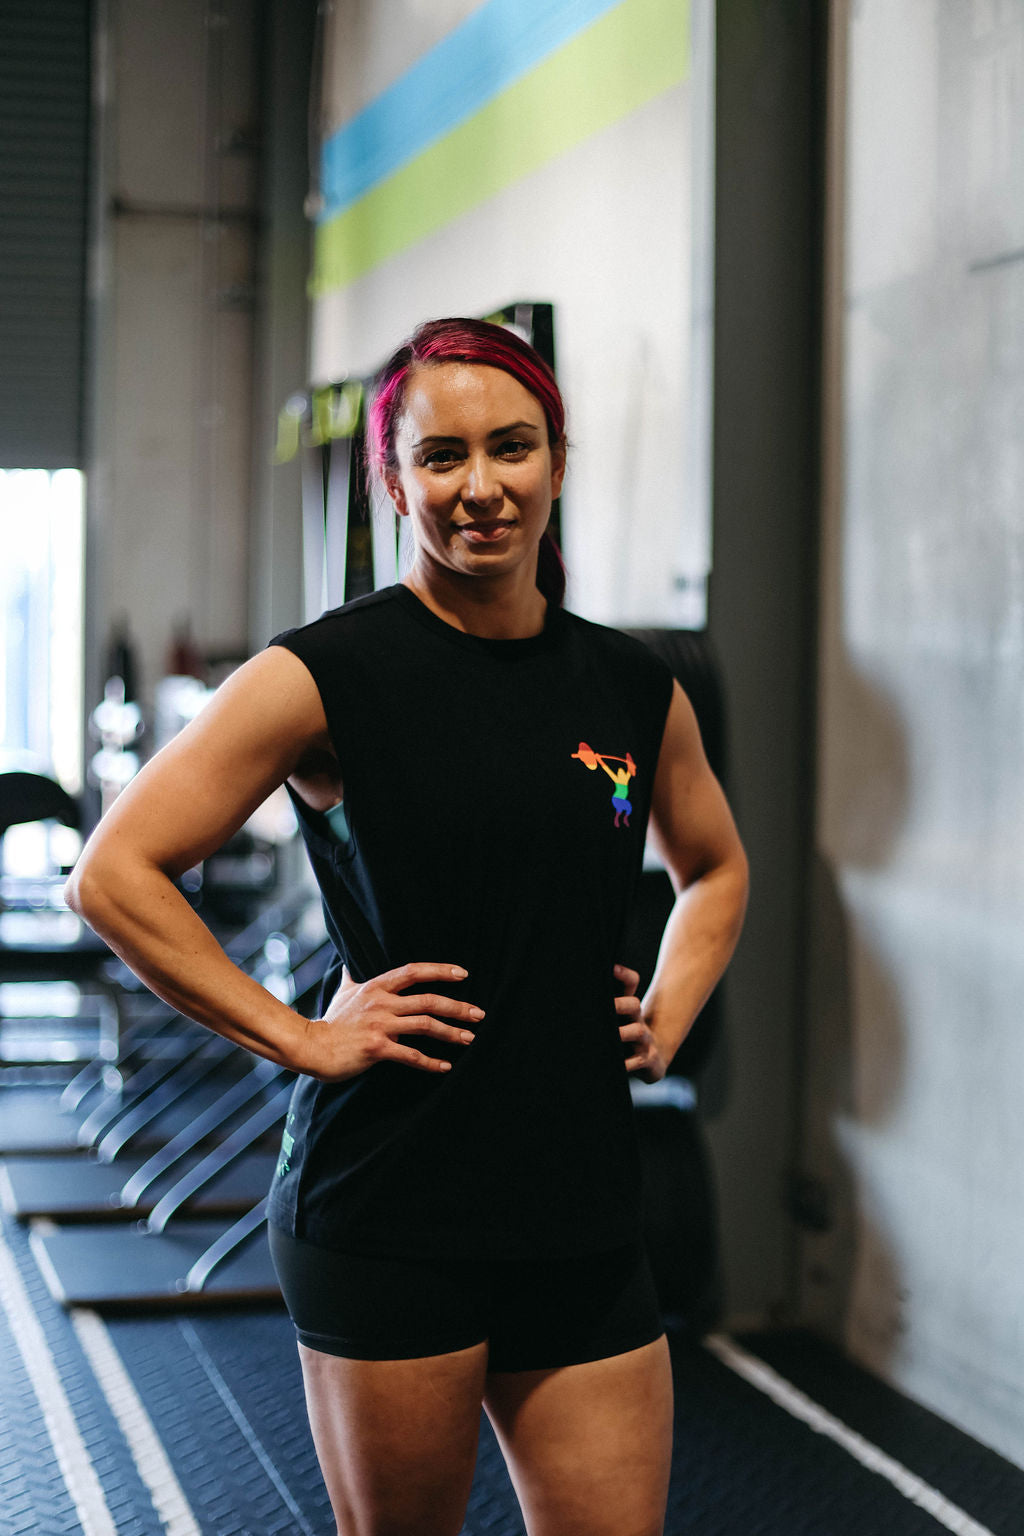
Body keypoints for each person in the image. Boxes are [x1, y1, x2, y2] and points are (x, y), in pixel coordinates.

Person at [66, 317, 748, 1536]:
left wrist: (667, 1010)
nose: (480, 487)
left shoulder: (631, 686)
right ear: (393, 481)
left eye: (512, 448)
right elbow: (116, 874)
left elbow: (716, 868)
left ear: (556, 461)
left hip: (581, 1204)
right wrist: (299, 1037)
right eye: (440, 458)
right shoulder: (326, 674)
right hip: (392, 1202)